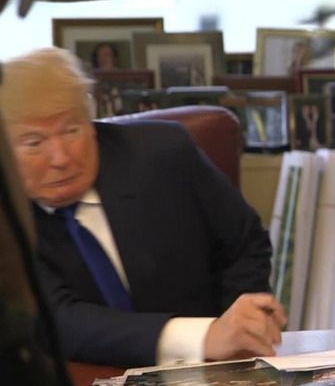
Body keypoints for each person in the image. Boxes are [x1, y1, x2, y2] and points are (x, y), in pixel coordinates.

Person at [0, 47, 287, 368]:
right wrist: (204, 336)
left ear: (91, 123)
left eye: (71, 130)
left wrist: (237, 329)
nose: (61, 158)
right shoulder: (6, 219)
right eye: (34, 143)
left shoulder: (164, 155)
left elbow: (244, 243)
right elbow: (58, 318)